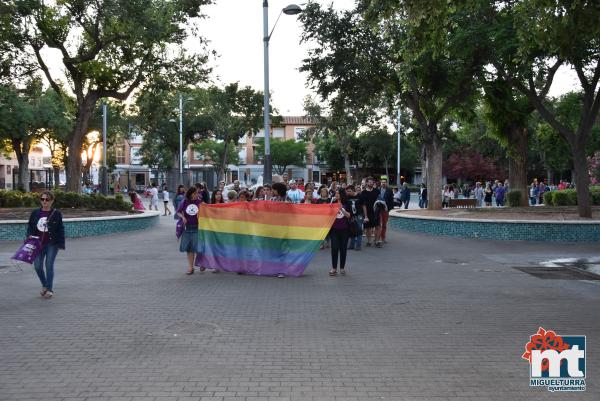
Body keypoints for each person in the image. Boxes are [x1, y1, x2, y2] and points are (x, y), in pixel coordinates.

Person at [27, 191, 65, 299]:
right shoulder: (35, 213)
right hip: (37, 243)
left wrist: (61, 244)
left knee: (49, 266)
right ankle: (44, 285)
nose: (44, 201)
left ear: (52, 201)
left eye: (47, 200)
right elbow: (30, 226)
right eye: (42, 199)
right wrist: (29, 235)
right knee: (38, 266)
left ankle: (49, 289)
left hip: (51, 244)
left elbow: (60, 229)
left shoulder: (56, 214)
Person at [177, 187, 203, 275]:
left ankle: (202, 263)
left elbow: (207, 212)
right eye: (195, 193)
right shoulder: (184, 202)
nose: (197, 195)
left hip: (198, 228)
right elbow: (178, 212)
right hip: (187, 228)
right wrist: (183, 217)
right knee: (189, 249)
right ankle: (191, 267)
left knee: (198, 247)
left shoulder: (200, 202)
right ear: (190, 194)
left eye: (197, 193)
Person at [329, 188, 351, 276]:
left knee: (343, 249)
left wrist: (341, 208)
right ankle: (334, 268)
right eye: (335, 193)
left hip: (344, 229)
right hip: (334, 229)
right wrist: (331, 201)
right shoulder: (333, 202)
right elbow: (327, 212)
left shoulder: (347, 203)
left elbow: (349, 215)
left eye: (338, 193)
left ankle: (342, 268)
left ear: (342, 194)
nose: (336, 195)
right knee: (334, 248)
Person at [360, 177, 381, 247]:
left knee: (377, 226)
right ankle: (369, 241)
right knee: (368, 228)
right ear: (366, 183)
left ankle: (377, 241)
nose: (371, 183)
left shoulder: (377, 191)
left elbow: (380, 201)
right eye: (369, 182)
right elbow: (363, 205)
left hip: (376, 212)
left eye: (372, 182)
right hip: (367, 212)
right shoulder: (363, 192)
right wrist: (365, 216)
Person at [346, 184, 364, 251]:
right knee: (352, 230)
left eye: (349, 191)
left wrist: (366, 216)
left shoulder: (360, 196)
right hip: (351, 216)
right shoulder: (348, 197)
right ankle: (351, 245)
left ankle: (358, 246)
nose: (348, 192)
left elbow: (364, 206)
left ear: (353, 190)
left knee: (359, 230)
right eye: (347, 191)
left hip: (359, 215)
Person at [379, 178, 394, 243]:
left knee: (384, 225)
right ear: (380, 183)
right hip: (378, 210)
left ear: (386, 183)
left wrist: (388, 209)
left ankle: (383, 238)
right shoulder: (377, 190)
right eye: (382, 182)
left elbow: (391, 201)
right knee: (378, 224)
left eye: (384, 182)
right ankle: (377, 237)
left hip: (385, 210)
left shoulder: (389, 191)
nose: (383, 183)